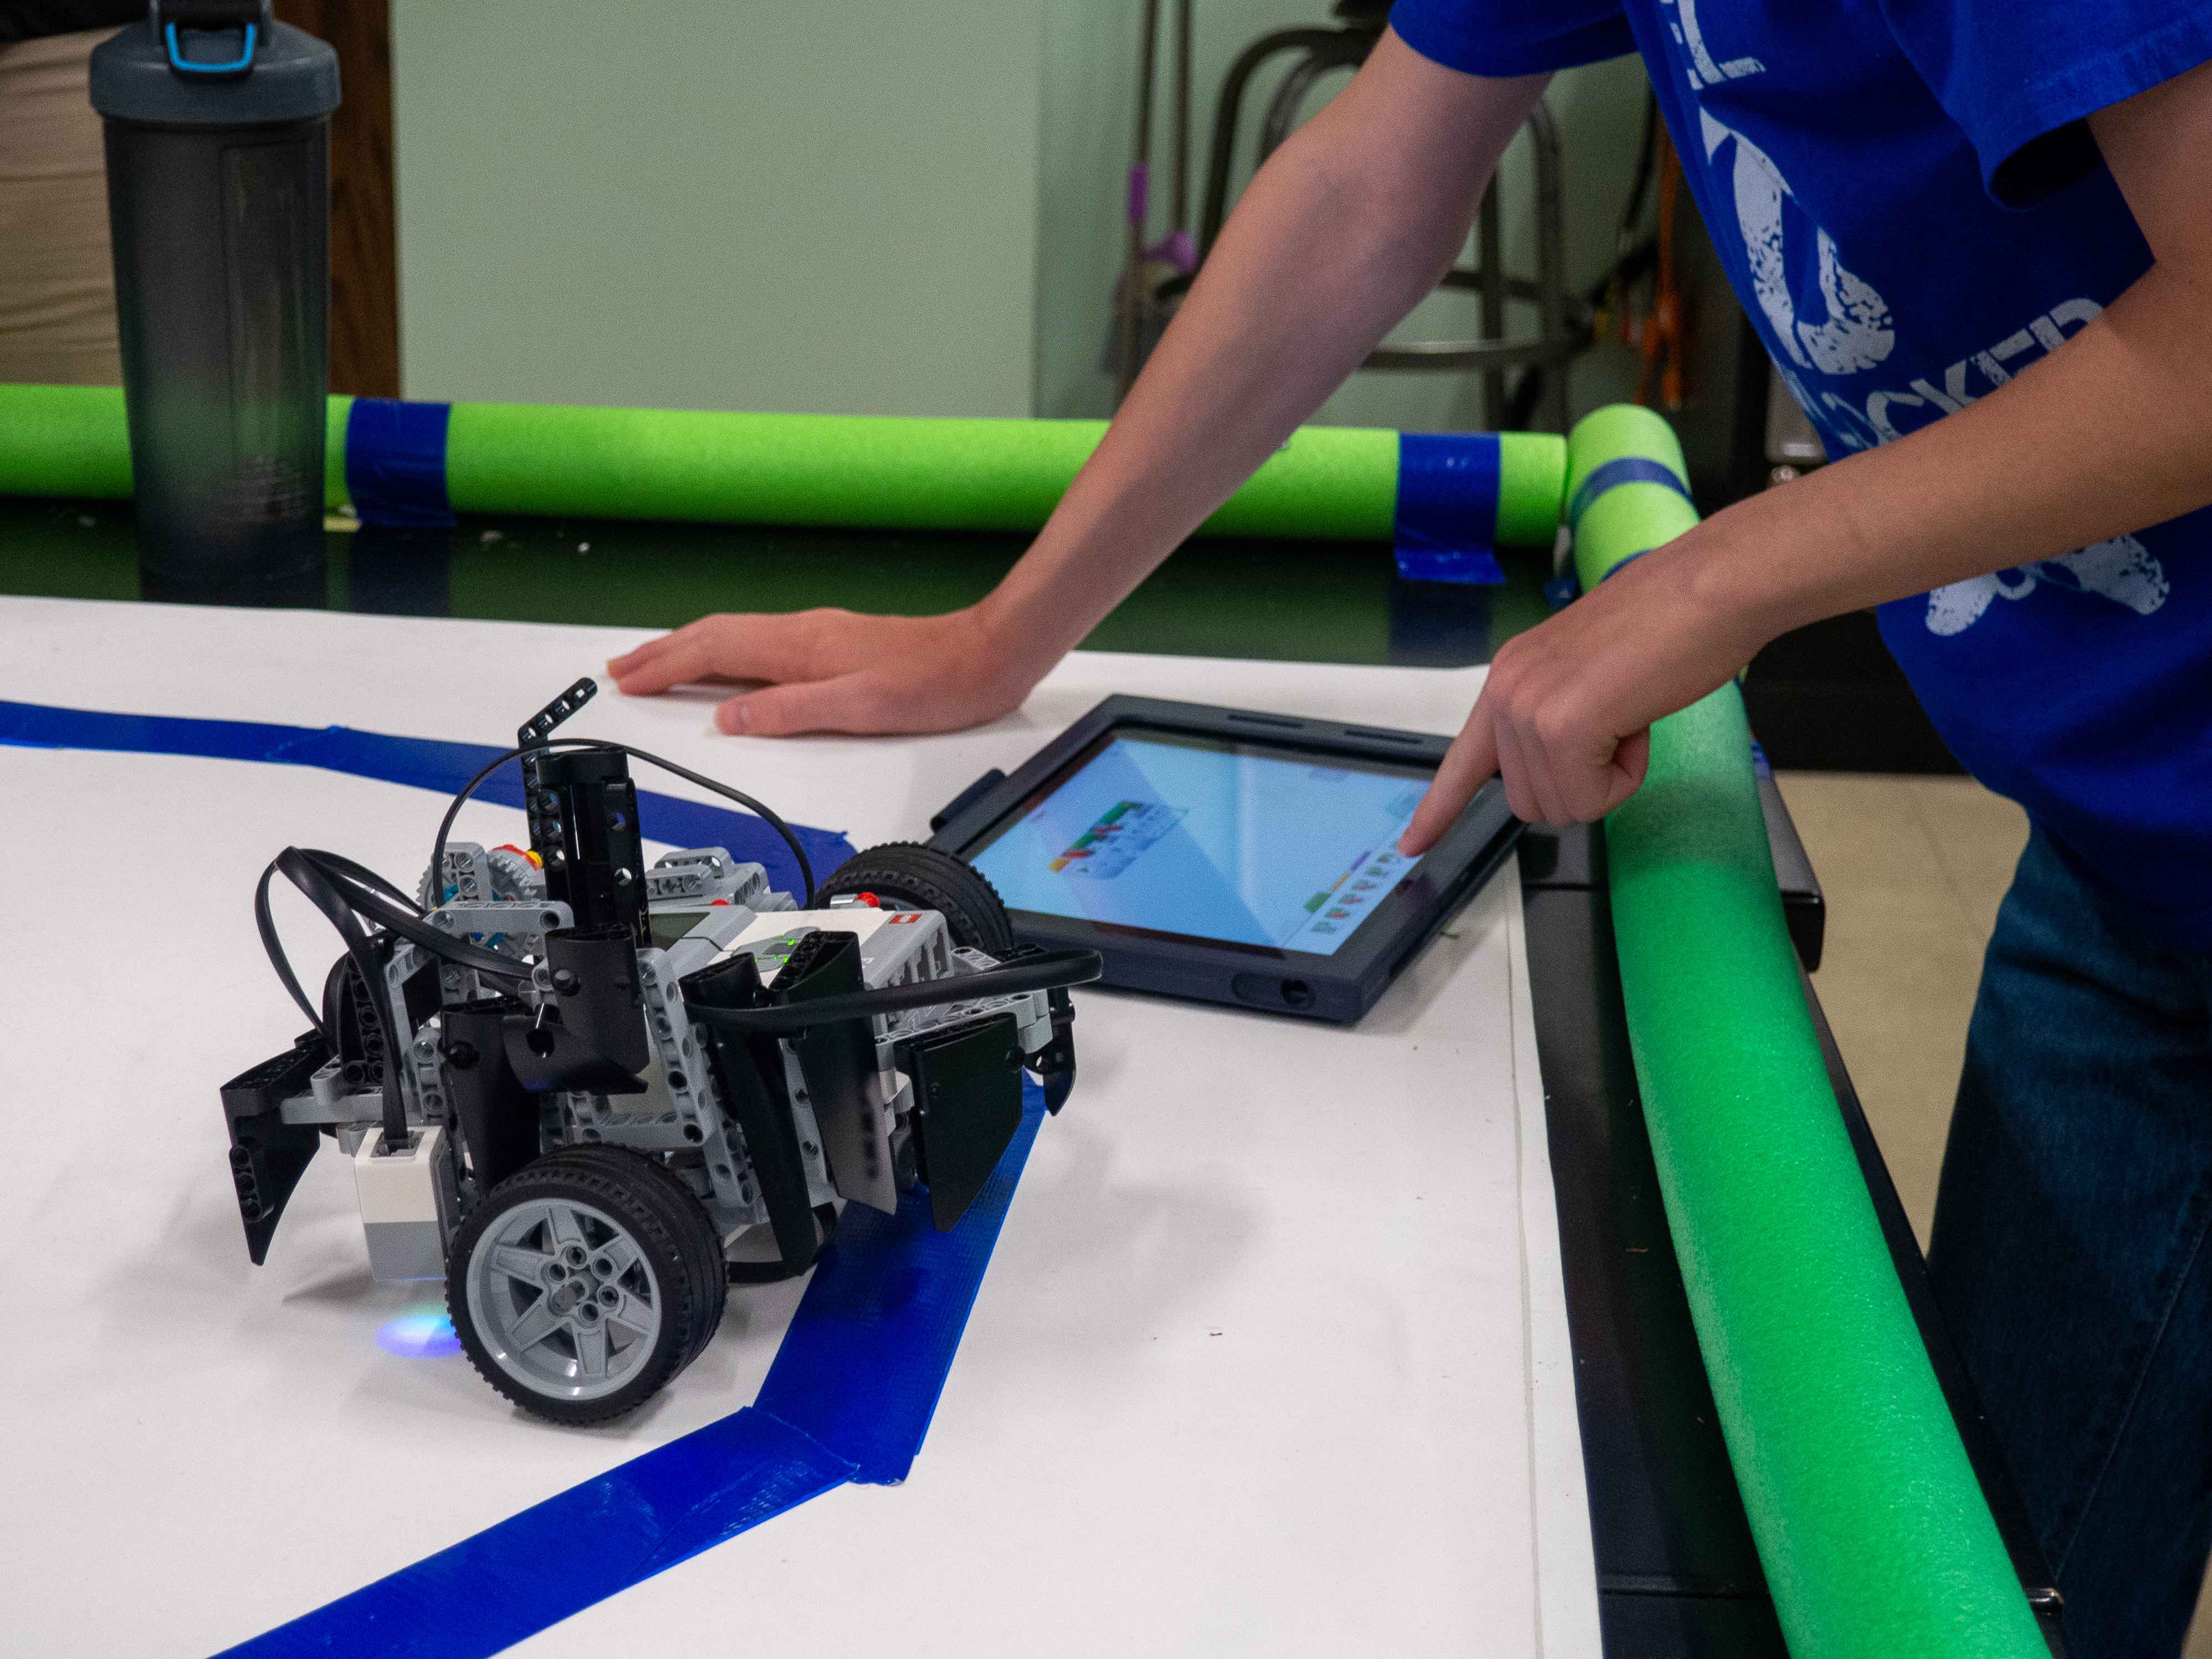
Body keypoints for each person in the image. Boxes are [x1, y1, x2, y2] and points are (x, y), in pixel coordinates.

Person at [610, 7, 2212, 1652]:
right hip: (2126, 850)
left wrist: (1717, 577)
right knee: (1986, 1560)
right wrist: (1002, 635)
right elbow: (1370, 184)